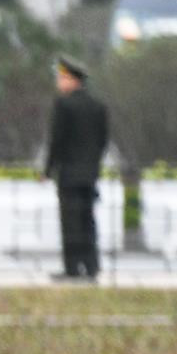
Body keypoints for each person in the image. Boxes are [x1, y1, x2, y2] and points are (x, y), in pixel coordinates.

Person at [44, 58, 111, 282]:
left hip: (69, 172)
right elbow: (103, 140)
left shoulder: (64, 105)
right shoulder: (98, 105)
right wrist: (93, 163)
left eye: (62, 78)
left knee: (70, 221)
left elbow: (57, 140)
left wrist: (47, 169)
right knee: (88, 219)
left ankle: (72, 268)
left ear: (72, 80)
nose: (59, 83)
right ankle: (91, 266)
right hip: (90, 172)